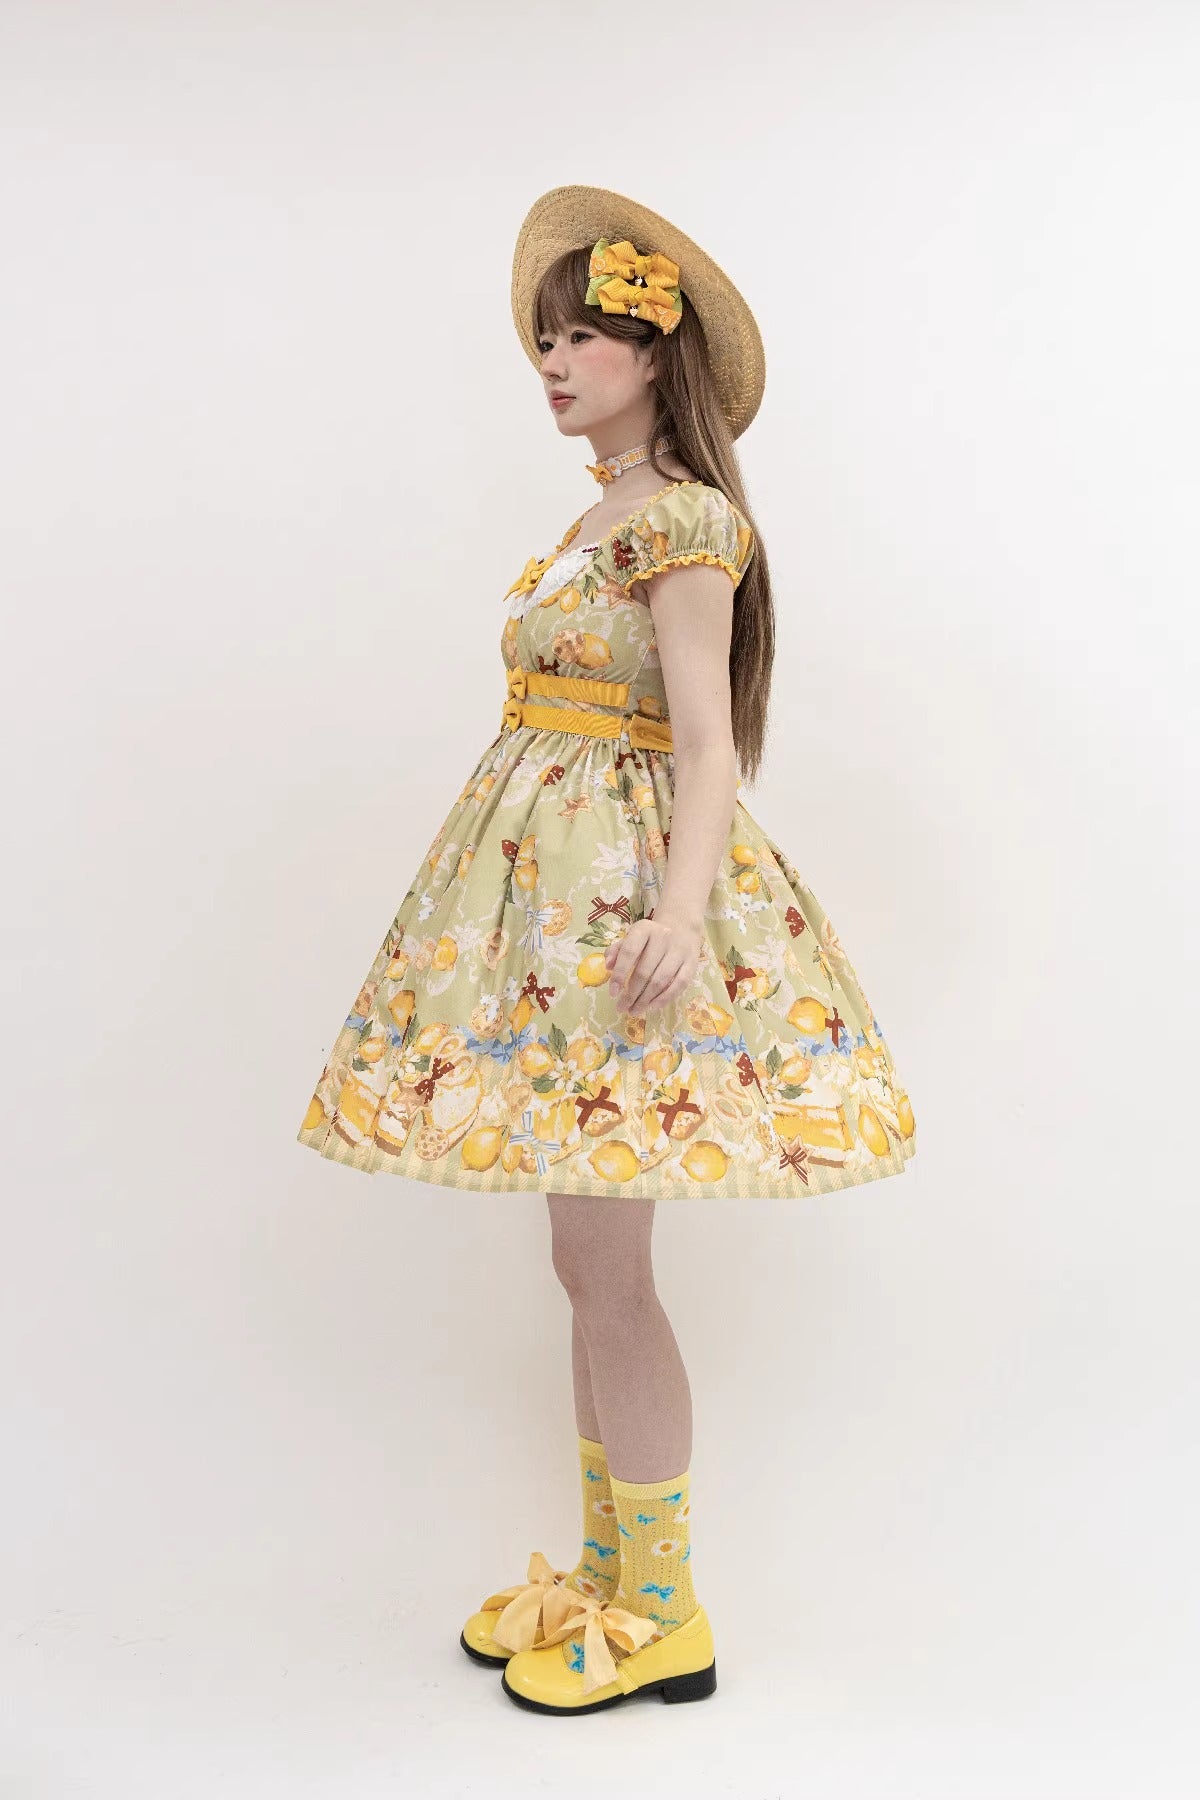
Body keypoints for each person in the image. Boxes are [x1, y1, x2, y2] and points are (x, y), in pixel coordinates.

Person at [296, 185, 917, 1714]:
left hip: (620, 915)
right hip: (548, 917)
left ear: (654, 353)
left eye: (580, 337)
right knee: (584, 1262)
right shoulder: (595, 521)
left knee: (610, 1270)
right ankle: (609, 1574)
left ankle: (668, 1610)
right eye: (544, 342)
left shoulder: (685, 522)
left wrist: (680, 913)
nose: (554, 364)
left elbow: (705, 745)